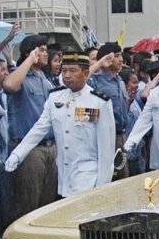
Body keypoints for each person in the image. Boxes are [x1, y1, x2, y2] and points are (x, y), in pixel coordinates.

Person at [6, 50, 115, 196]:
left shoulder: (99, 102)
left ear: (86, 73)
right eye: (64, 71)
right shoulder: (55, 98)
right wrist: (17, 155)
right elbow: (39, 129)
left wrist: (103, 189)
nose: (67, 75)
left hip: (89, 179)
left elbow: (106, 151)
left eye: (73, 71)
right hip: (65, 178)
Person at [3, 34, 57, 218]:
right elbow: (9, 85)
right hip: (29, 149)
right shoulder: (21, 77)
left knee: (48, 203)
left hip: (50, 146)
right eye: (41, 50)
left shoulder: (45, 78)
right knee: (28, 204)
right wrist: (27, 61)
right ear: (30, 53)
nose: (45, 54)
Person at [88, 41, 129, 178]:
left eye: (121, 55)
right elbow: (82, 79)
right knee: (109, 177)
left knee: (122, 177)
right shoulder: (96, 81)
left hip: (121, 136)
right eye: (116, 56)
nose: (121, 60)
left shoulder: (120, 81)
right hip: (106, 137)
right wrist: (99, 63)